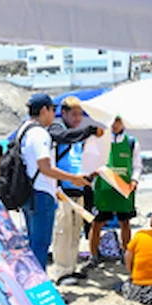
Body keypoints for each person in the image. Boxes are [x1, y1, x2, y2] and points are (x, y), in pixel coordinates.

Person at [18, 94, 89, 266]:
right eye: (53, 110)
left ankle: (33, 284)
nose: (54, 114)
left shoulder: (24, 130)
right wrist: (73, 178)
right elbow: (45, 167)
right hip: (41, 194)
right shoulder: (39, 133)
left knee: (35, 242)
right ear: (44, 110)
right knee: (41, 244)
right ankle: (38, 285)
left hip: (29, 193)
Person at [49, 96, 104, 284]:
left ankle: (71, 268)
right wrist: (88, 131)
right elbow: (63, 138)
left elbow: (77, 161)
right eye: (74, 114)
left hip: (77, 189)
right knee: (63, 232)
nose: (77, 118)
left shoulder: (78, 137)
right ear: (63, 113)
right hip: (62, 191)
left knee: (75, 232)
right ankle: (62, 271)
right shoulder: (58, 130)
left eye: (80, 115)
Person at [89, 115, 141, 265]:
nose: (115, 124)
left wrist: (134, 180)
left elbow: (137, 165)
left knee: (125, 222)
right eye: (112, 121)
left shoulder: (131, 142)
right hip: (103, 189)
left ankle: (126, 254)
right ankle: (93, 255)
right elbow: (92, 162)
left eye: (118, 121)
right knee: (97, 223)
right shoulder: (100, 141)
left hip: (123, 188)